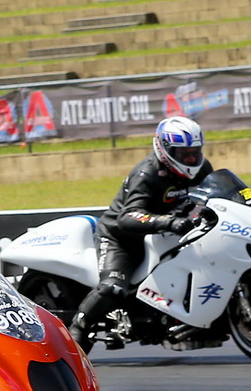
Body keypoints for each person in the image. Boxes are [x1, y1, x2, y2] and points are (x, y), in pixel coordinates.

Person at [69, 116, 214, 351]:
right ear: (164, 149)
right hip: (123, 239)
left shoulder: (203, 169)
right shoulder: (147, 174)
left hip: (166, 236)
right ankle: (78, 327)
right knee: (113, 287)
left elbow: (214, 196)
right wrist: (169, 221)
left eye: (194, 152)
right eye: (183, 153)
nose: (190, 159)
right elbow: (128, 216)